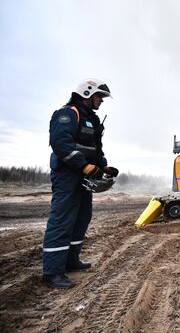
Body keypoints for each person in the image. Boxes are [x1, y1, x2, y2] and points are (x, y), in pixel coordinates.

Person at [42, 79, 119, 289]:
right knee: (62, 220)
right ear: (87, 93)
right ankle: (52, 273)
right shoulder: (68, 113)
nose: (101, 101)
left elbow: (95, 150)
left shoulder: (91, 119)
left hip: (85, 177)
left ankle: (70, 261)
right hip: (68, 175)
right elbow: (61, 143)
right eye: (98, 97)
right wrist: (83, 166)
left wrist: (103, 167)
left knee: (81, 218)